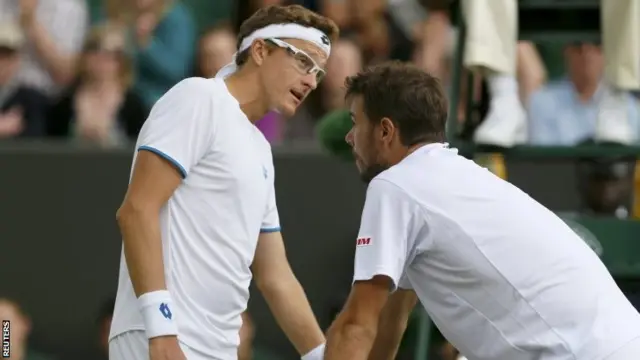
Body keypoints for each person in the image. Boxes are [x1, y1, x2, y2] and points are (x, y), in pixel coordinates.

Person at [324, 62, 640, 360]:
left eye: (355, 122)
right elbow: (387, 322)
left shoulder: (396, 185)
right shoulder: (451, 178)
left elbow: (357, 325)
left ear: (385, 131)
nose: (350, 137)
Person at [108, 4, 339, 360]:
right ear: (261, 50)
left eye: (319, 72)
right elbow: (137, 210)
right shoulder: (199, 98)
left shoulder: (261, 149)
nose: (311, 80)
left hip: (219, 348)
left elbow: (274, 275)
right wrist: (161, 331)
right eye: (303, 61)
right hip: (159, 338)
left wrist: (323, 356)